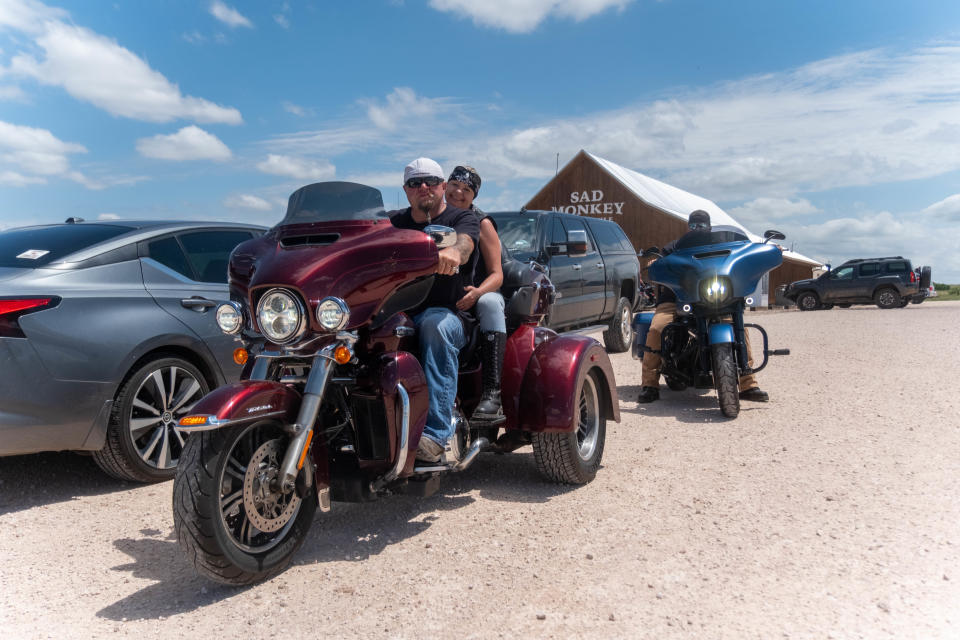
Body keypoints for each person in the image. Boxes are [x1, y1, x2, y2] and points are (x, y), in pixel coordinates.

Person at [389, 158, 480, 462]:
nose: (423, 187)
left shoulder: (462, 219)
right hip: (400, 312)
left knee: (434, 325)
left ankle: (435, 434)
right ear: (406, 190)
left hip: (449, 315)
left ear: (442, 186)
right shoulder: (392, 223)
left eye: (430, 181)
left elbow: (466, 244)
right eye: (415, 183)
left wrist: (454, 251)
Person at [637, 209, 769, 404]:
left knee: (740, 329)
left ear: (709, 227)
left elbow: (740, 251)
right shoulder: (674, 247)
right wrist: (657, 262)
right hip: (676, 299)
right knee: (657, 329)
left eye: (701, 225)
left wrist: (762, 250)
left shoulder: (722, 244)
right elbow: (661, 260)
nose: (697, 228)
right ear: (688, 226)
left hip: (715, 298)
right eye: (693, 225)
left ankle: (748, 384)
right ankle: (649, 385)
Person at [445, 165, 506, 424]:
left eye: (467, 189)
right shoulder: (432, 216)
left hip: (478, 292)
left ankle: (492, 392)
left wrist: (477, 292)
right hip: (445, 295)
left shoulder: (482, 224)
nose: (459, 192)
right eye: (455, 185)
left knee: (491, 304)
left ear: (474, 196)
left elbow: (497, 274)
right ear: (445, 186)